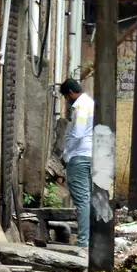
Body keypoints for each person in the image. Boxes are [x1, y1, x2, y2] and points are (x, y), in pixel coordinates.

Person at [58, 79, 94, 248]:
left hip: (79, 156)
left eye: (66, 97)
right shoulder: (91, 103)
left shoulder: (80, 106)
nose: (67, 100)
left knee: (82, 200)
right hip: (91, 155)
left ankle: (83, 243)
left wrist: (66, 153)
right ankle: (89, 239)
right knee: (89, 198)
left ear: (71, 93)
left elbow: (78, 134)